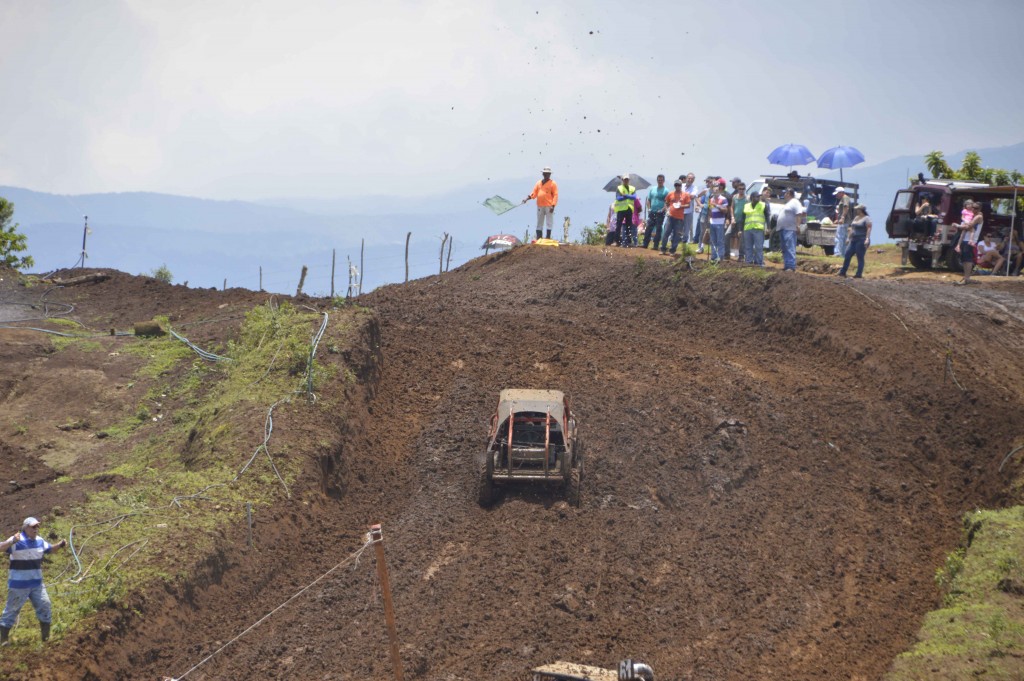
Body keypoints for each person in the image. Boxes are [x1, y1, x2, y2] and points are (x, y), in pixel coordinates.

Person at [0, 517, 67, 644]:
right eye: (33, 527)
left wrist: (60, 545)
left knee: (45, 605)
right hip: (19, 585)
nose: (36, 529)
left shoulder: (40, 541)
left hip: (37, 584)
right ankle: (3, 639)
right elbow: (1, 547)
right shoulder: (17, 540)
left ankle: (45, 638)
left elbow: (51, 549)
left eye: (37, 527)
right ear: (25, 528)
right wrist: (11, 541)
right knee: (12, 610)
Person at [523, 166, 559, 240]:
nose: (546, 175)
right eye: (545, 173)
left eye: (548, 173)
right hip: (540, 205)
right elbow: (534, 193)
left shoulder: (553, 183)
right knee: (539, 222)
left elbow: (555, 195)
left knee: (549, 222)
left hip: (549, 206)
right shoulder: (538, 183)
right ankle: (539, 238)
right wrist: (527, 198)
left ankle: (548, 238)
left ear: (550, 174)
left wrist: (553, 205)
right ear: (543, 174)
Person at [837, 204, 873, 278]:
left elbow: (869, 228)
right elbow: (852, 229)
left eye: (857, 209)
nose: (856, 211)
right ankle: (843, 272)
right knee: (847, 254)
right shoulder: (856, 218)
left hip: (861, 239)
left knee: (860, 256)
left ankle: (858, 274)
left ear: (861, 210)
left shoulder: (867, 218)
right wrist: (848, 238)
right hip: (853, 240)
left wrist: (867, 239)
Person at [953, 201, 984, 285]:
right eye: (973, 207)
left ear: (980, 209)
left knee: (968, 259)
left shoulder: (978, 217)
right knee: (964, 259)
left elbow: (969, 226)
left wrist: (958, 226)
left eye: (976, 208)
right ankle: (966, 277)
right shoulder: (972, 216)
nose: (973, 209)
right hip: (965, 240)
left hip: (971, 241)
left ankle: (967, 278)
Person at [660, 179, 691, 255]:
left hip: (679, 218)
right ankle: (663, 248)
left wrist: (681, 205)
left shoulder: (685, 195)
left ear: (681, 186)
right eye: (676, 185)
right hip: (670, 216)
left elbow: (688, 205)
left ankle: (672, 250)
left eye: (679, 185)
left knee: (677, 235)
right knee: (666, 233)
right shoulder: (670, 194)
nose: (677, 187)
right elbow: (666, 203)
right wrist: (667, 210)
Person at [778, 188, 804, 271]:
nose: (784, 194)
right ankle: (787, 265)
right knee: (785, 247)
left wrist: (798, 226)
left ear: (789, 193)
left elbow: (799, 214)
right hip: (783, 228)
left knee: (790, 247)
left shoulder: (795, 202)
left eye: (785, 193)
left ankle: (791, 266)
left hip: (790, 229)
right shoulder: (788, 203)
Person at [742, 188, 770, 266]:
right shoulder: (746, 206)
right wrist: (740, 229)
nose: (758, 198)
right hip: (748, 229)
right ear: (752, 198)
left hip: (758, 229)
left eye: (758, 197)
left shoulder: (763, 205)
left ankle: (759, 263)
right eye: (756, 197)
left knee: (758, 247)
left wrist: (768, 227)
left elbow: (767, 216)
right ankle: (749, 262)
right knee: (748, 247)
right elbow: (743, 218)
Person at [643, 174, 669, 249]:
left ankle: (656, 245)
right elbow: (649, 199)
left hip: (660, 212)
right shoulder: (652, 189)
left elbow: (667, 202)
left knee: (658, 228)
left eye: (661, 180)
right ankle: (645, 244)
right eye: (658, 180)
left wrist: (663, 209)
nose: (660, 181)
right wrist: (649, 209)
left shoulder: (666, 190)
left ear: (663, 181)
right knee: (648, 228)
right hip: (652, 211)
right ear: (657, 180)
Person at [707, 179, 730, 262]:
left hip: (720, 222)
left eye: (717, 187)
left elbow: (725, 210)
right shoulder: (711, 199)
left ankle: (720, 257)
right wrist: (708, 223)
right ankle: (713, 256)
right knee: (713, 240)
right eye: (713, 187)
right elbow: (709, 211)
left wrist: (716, 205)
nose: (715, 189)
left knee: (720, 240)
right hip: (712, 222)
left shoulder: (723, 199)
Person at [612, 174, 637, 247]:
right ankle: (617, 241)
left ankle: (629, 242)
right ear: (622, 180)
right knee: (618, 225)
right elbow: (618, 198)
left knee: (629, 226)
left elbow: (634, 197)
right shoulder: (619, 188)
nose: (626, 181)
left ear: (629, 180)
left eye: (627, 179)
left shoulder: (632, 188)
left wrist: (626, 196)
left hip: (629, 209)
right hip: (621, 209)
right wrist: (627, 197)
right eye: (625, 179)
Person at [729, 180, 747, 261]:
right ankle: (727, 253)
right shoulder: (734, 197)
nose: (741, 190)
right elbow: (732, 207)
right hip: (734, 220)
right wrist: (732, 217)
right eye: (740, 188)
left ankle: (741, 255)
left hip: (743, 221)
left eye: (743, 189)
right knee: (728, 235)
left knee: (741, 238)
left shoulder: (747, 198)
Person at [833, 187, 853, 258]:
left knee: (839, 237)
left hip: (844, 222)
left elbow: (846, 207)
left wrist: (842, 217)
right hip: (844, 221)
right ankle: (843, 254)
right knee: (844, 238)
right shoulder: (843, 198)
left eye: (837, 194)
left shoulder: (845, 198)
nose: (836, 195)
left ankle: (837, 252)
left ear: (841, 192)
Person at [680, 173, 698, 244]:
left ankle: (684, 241)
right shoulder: (681, 186)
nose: (690, 180)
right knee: (678, 227)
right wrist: (687, 195)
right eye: (689, 178)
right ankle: (676, 240)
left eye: (692, 179)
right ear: (686, 178)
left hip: (688, 211)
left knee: (687, 228)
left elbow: (693, 196)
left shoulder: (694, 187)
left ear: (693, 180)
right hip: (680, 210)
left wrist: (683, 195)